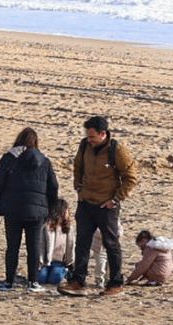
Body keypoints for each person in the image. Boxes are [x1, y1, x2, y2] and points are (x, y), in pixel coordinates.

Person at [60, 115, 141, 297]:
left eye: (92, 137)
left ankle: (115, 283)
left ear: (103, 134)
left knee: (111, 244)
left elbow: (131, 178)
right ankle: (78, 281)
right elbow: (77, 167)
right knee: (82, 243)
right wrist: (78, 188)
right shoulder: (84, 146)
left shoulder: (117, 150)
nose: (89, 140)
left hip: (107, 206)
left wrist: (116, 199)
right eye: (88, 136)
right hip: (86, 203)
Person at [0, 127, 59, 292]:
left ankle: (8, 281)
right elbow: (53, 186)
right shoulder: (44, 160)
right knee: (34, 246)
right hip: (37, 211)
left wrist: (3, 193)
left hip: (13, 209)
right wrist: (50, 206)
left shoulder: (9, 158)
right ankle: (33, 282)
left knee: (12, 246)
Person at [38, 200, 73, 286]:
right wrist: (40, 261)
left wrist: (70, 262)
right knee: (41, 278)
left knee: (55, 278)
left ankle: (65, 273)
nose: (68, 212)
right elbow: (41, 245)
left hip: (59, 261)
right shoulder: (46, 227)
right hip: (46, 261)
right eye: (66, 210)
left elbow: (71, 246)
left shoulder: (68, 228)